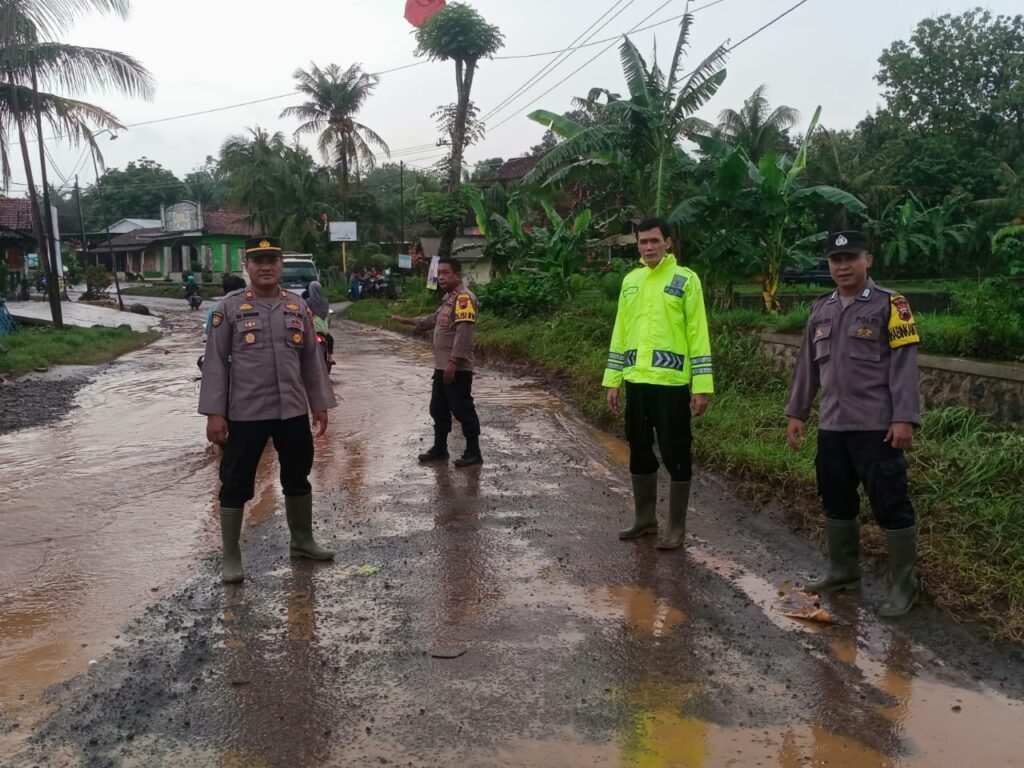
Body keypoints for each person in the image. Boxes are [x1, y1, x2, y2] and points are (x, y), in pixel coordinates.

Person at [785, 230, 921, 617]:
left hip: (876, 427)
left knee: (890, 503)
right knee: (837, 500)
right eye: (835, 260)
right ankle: (843, 571)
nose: (843, 266)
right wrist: (797, 412)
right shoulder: (821, 310)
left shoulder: (891, 304)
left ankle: (904, 586)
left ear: (868, 260)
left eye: (851, 258)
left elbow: (904, 366)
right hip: (832, 427)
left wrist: (904, 417)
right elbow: (806, 368)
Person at [199, 236, 338, 584]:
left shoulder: (297, 307)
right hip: (245, 413)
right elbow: (215, 365)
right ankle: (231, 556)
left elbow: (312, 361)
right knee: (234, 482)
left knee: (297, 475)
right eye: (258, 260)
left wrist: (319, 403)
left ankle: (302, 542)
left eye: (272, 260)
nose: (266, 267)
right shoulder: (227, 309)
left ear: (281, 265)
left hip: (291, 410)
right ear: (247, 266)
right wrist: (215, 414)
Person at [603, 217, 713, 551]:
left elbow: (698, 334)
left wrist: (701, 385)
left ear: (668, 243)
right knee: (638, 449)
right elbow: (620, 331)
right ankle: (645, 519)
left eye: (654, 241)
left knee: (675, 451)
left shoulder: (685, 280)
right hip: (636, 382)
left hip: (671, 384)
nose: (648, 247)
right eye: (643, 242)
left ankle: (676, 527)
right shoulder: (631, 281)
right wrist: (613, 380)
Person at [389, 257, 482, 467]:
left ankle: (474, 451)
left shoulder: (464, 299)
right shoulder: (450, 298)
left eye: (446, 272)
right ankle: (440, 448)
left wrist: (453, 362)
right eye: (439, 273)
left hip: (456, 367)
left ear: (457, 275)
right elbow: (433, 320)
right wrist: (407, 320)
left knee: (462, 408)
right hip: (442, 367)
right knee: (438, 408)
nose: (440, 277)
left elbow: (463, 332)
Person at [305, 280, 335, 365]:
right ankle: (330, 357)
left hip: (312, 330)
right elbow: (328, 316)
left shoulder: (308, 301)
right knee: (330, 340)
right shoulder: (325, 301)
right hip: (323, 330)